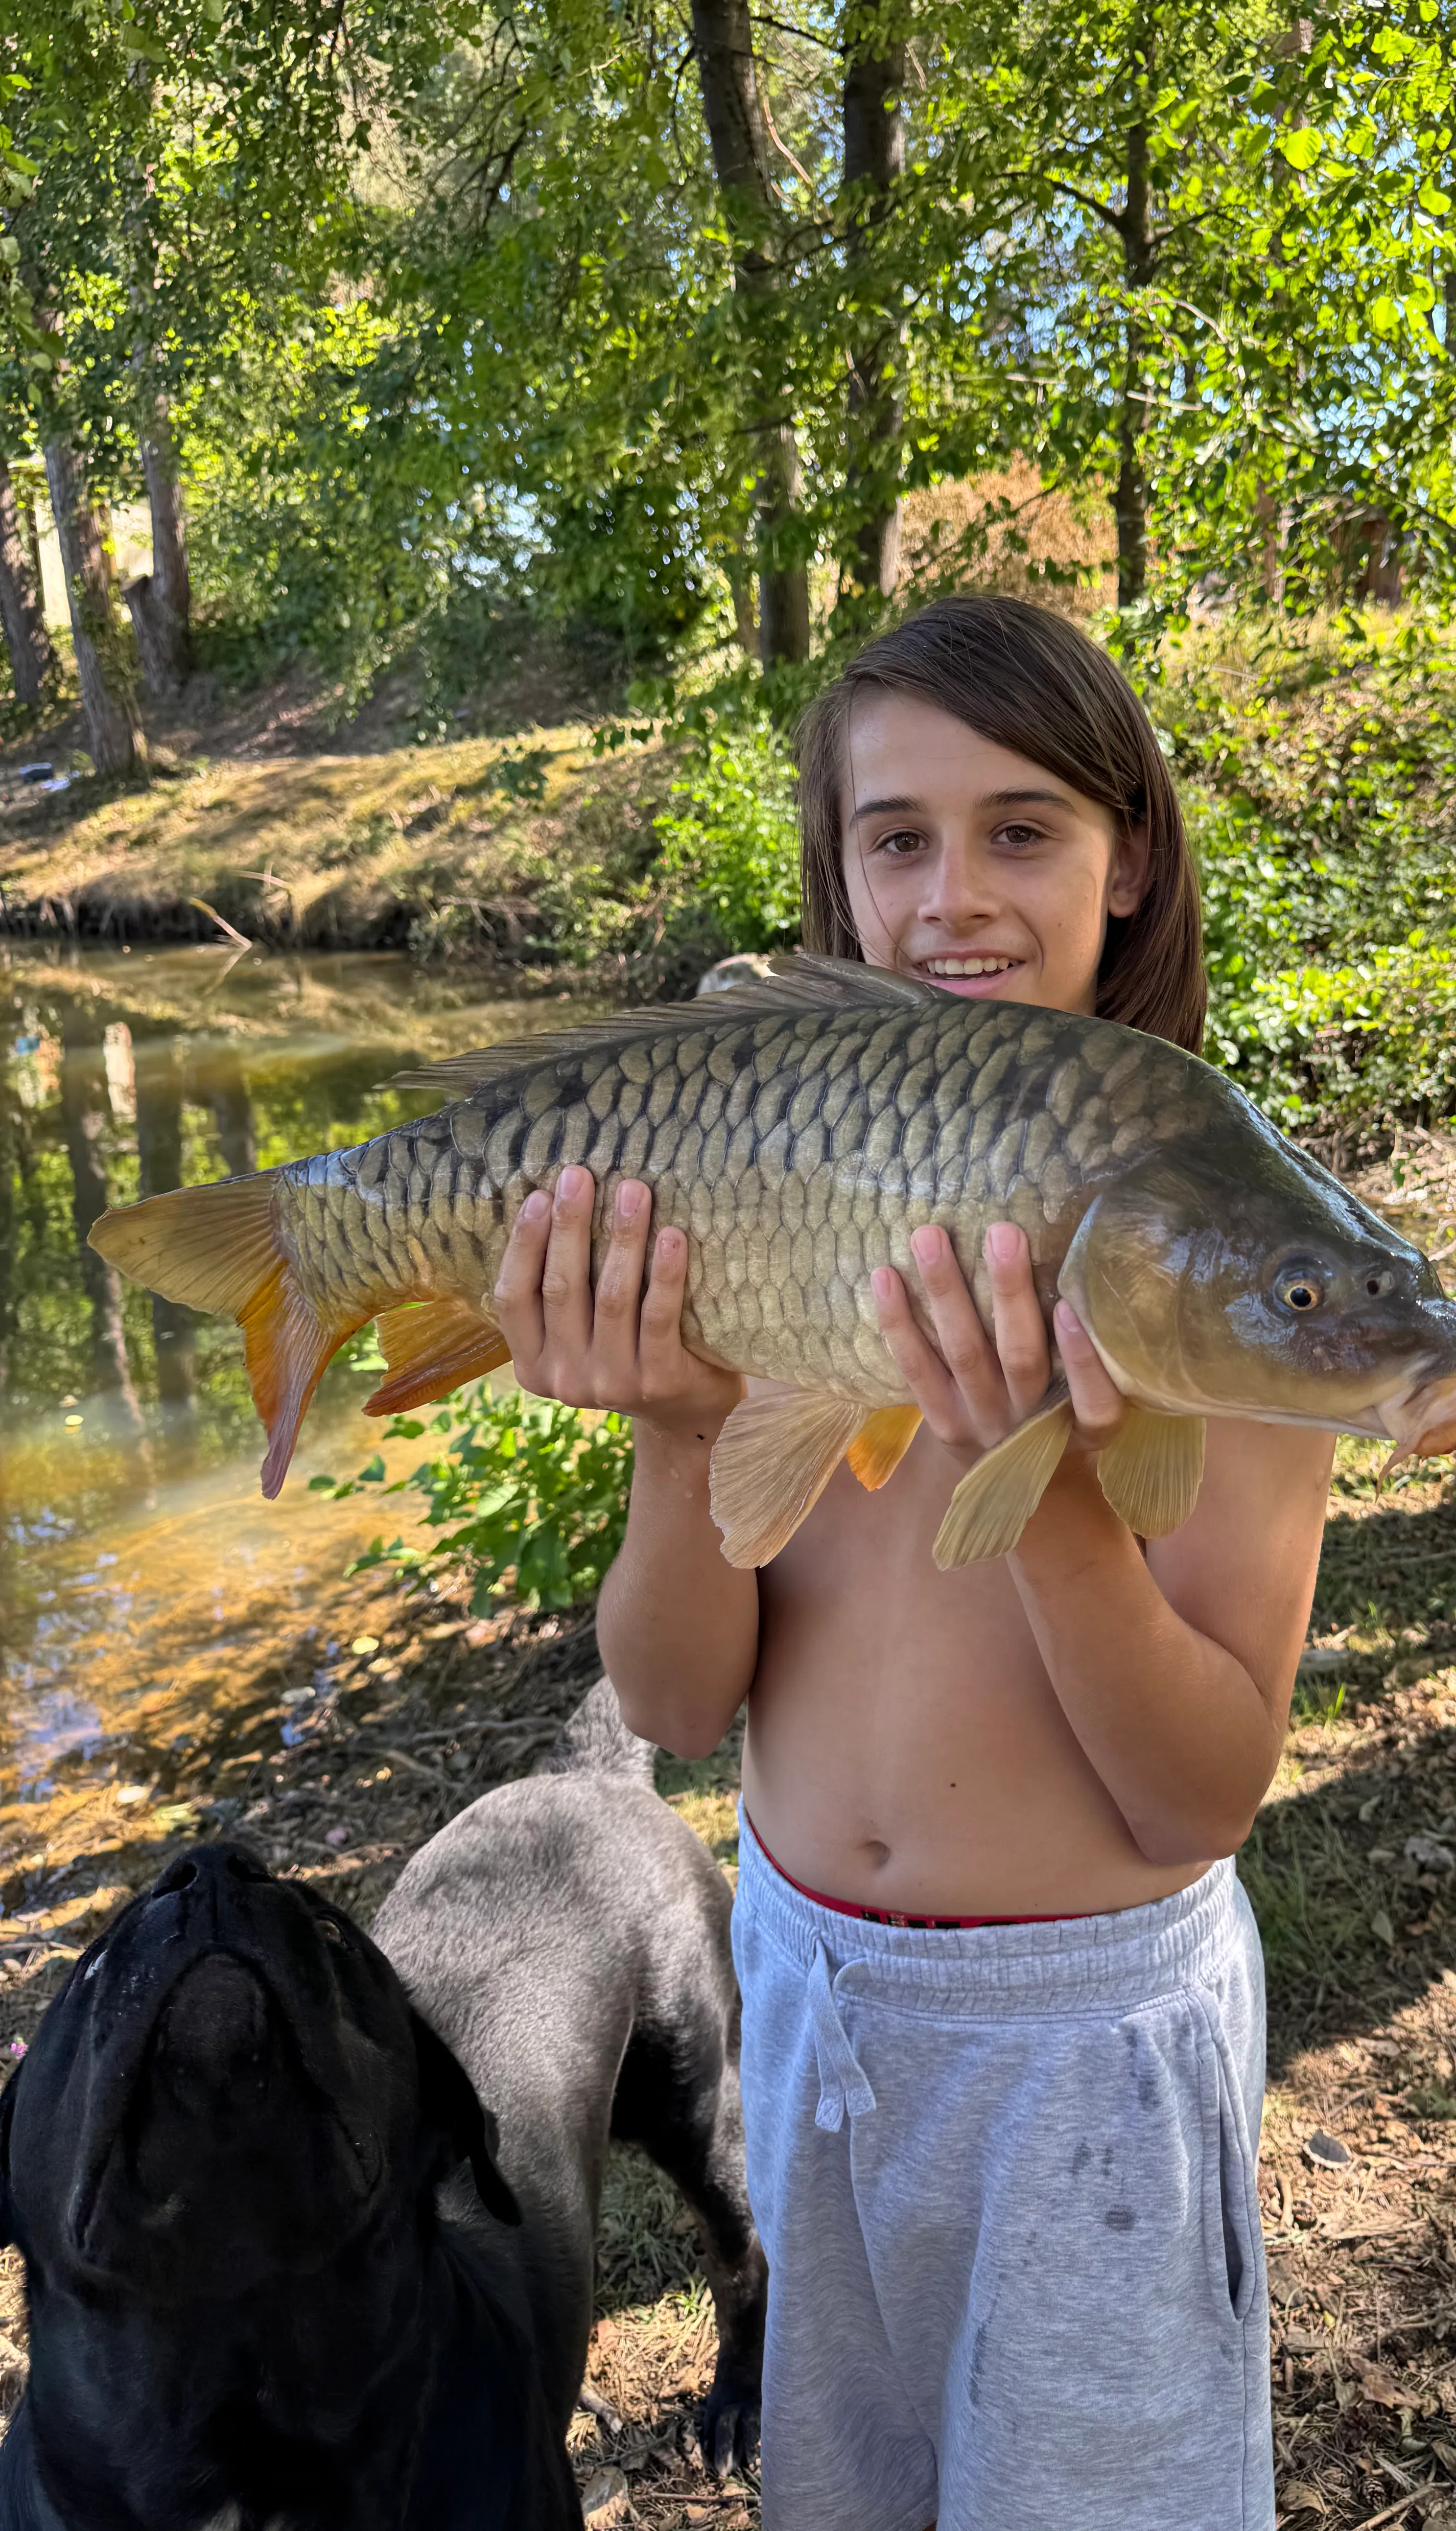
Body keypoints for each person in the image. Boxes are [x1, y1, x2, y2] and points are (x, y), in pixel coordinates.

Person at [491, 594, 1336, 2531]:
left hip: (1086, 2056)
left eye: (1021, 829)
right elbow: (675, 1703)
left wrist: (1046, 1494)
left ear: (1132, 861)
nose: (954, 894)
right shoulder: (780, 1190)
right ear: (840, 873)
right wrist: (679, 1428)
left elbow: (1199, 1795)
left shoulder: (1214, 1256)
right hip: (808, 2001)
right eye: (898, 838)